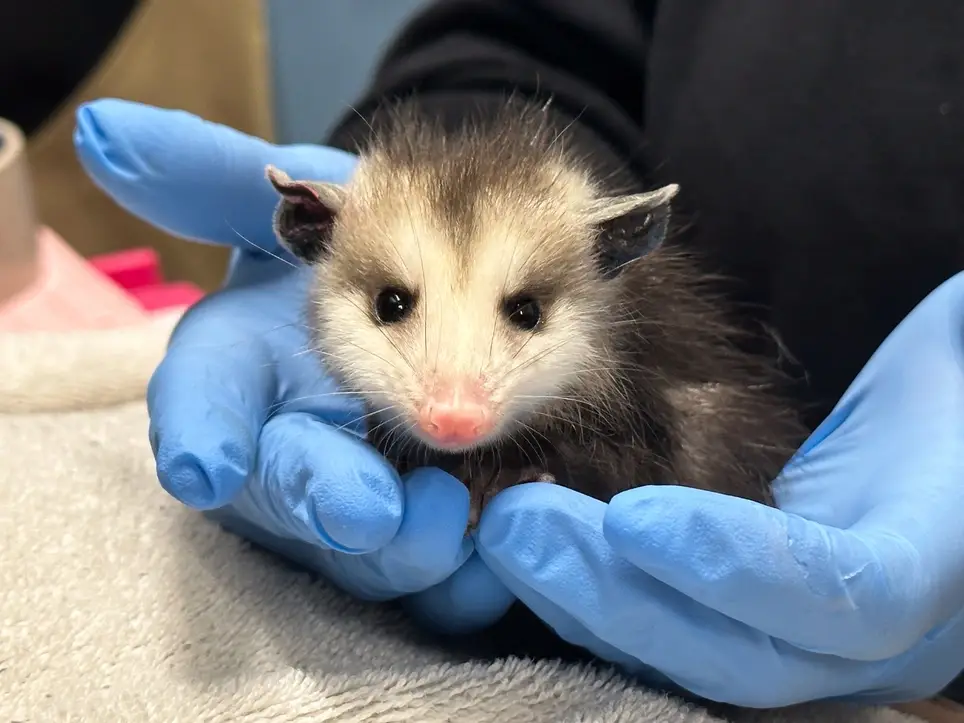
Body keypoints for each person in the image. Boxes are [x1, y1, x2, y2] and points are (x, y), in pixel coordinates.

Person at [73, 0, 964, 709]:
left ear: (621, 247)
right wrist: (450, 119)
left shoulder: (649, 387)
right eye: (393, 304)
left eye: (526, 310)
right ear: (310, 228)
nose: (453, 400)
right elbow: (532, 35)